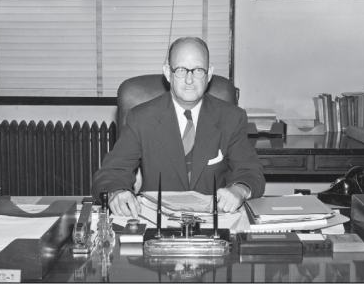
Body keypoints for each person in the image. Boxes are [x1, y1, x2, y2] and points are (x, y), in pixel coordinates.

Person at [91, 37, 266, 218]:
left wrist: (239, 190)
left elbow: (250, 172)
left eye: (198, 70)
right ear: (168, 72)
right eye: (181, 70)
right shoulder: (141, 118)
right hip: (157, 222)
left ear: (209, 72)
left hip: (215, 221)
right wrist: (117, 192)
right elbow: (111, 173)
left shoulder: (232, 118)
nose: (189, 79)